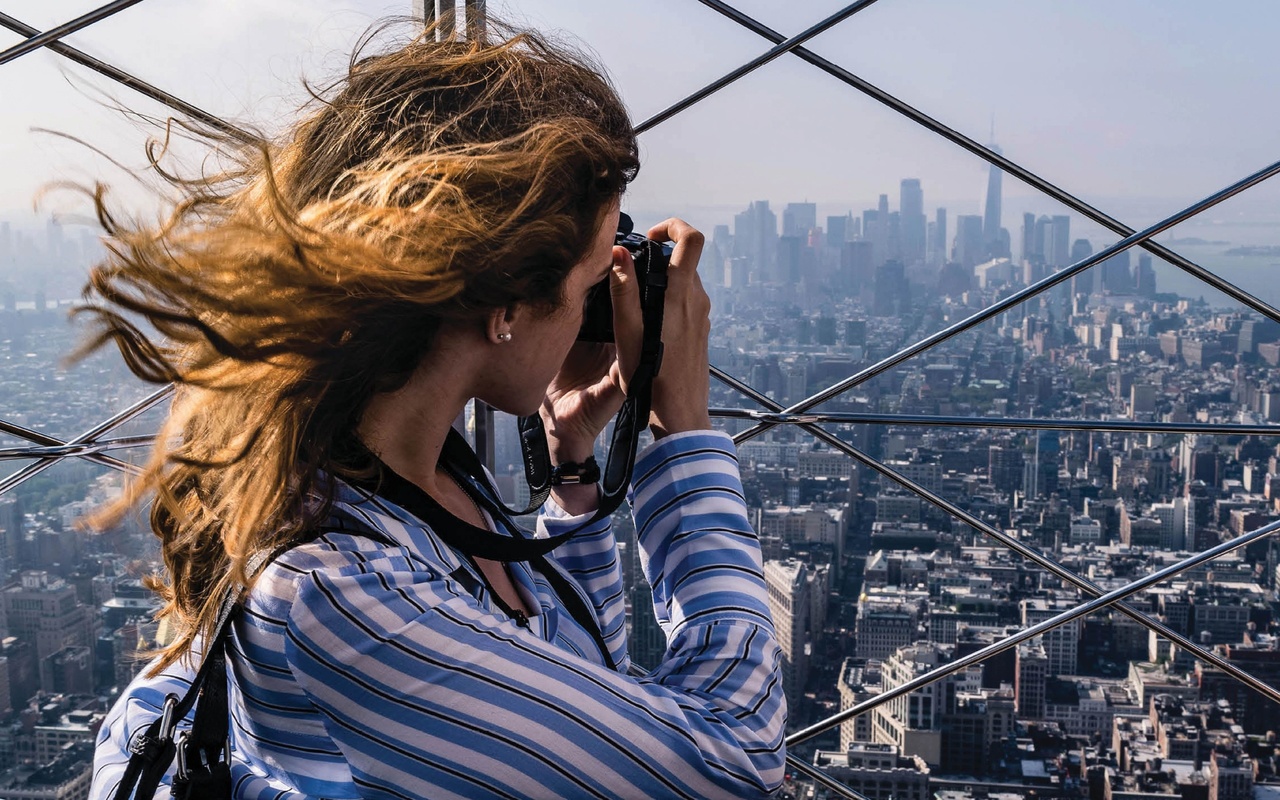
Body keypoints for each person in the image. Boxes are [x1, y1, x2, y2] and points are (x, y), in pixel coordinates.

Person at [87, 21, 786, 800]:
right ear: (506, 304)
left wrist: (573, 465)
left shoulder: (412, 475)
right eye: (594, 278)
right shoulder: (341, 591)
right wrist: (682, 436)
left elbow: (584, 702)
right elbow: (733, 763)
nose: (603, 304)